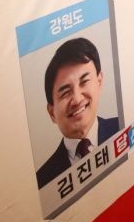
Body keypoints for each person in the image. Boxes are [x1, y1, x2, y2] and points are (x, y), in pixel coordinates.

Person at [36, 38, 120, 189]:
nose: (77, 99)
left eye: (84, 82)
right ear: (52, 113)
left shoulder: (124, 127)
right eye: (65, 92)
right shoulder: (43, 180)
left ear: (99, 82)